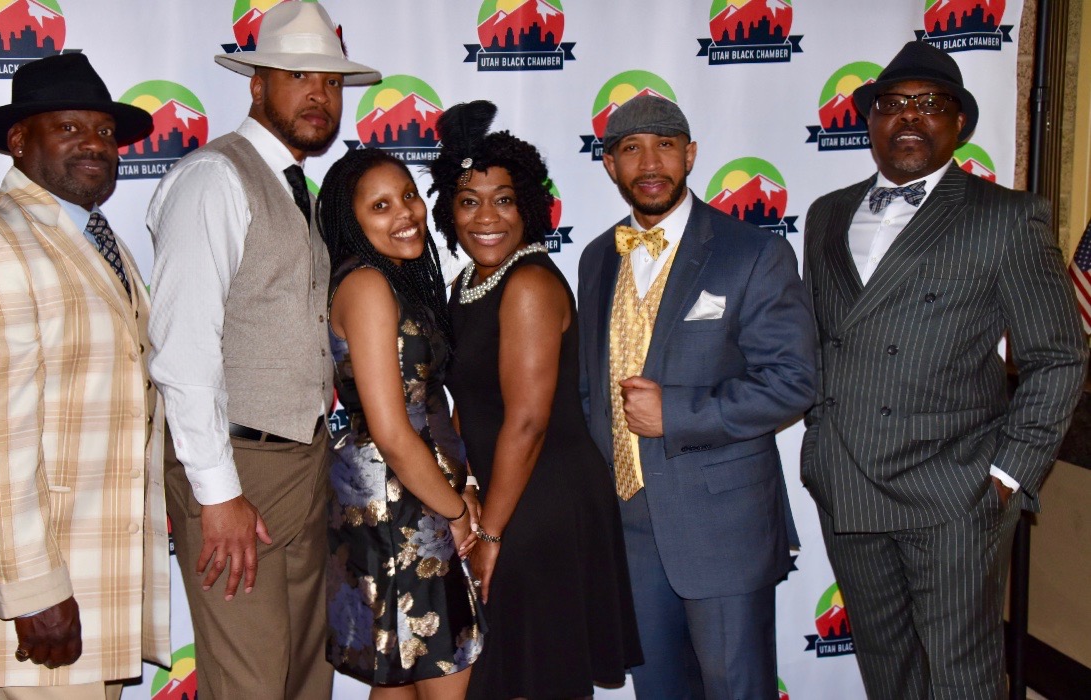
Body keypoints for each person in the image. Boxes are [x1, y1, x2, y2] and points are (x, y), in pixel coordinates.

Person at [802, 41, 1087, 700]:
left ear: (956, 123)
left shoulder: (1006, 218)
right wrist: (818, 446)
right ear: (869, 121)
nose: (909, 117)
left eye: (929, 104)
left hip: (953, 491)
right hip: (847, 482)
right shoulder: (826, 215)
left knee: (961, 678)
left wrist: (1003, 476)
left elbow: (1055, 358)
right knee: (886, 667)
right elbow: (818, 340)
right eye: (892, 104)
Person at [0, 53, 168, 699]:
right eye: (71, 128)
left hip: (93, 582)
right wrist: (34, 591)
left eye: (106, 132)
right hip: (37, 599)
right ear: (20, 140)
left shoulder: (93, 237)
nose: (96, 144)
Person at [145, 3, 379, 698]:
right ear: (255, 85)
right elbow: (181, 349)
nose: (319, 95)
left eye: (331, 83)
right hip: (238, 464)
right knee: (251, 678)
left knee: (306, 674)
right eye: (299, 76)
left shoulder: (300, 188)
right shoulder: (214, 179)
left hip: (304, 460)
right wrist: (218, 494)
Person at [577, 95, 817, 699]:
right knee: (658, 691)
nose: (650, 162)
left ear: (690, 155)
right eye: (631, 148)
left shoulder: (751, 251)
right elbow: (587, 388)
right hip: (626, 524)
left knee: (736, 688)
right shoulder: (597, 256)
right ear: (610, 166)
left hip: (721, 524)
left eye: (665, 145)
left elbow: (794, 380)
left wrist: (676, 414)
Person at [433, 101, 643, 699]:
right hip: (505, 494)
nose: (487, 217)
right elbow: (472, 403)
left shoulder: (527, 284)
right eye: (469, 201)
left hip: (543, 502)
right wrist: (466, 490)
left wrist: (490, 535)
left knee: (536, 677)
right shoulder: (469, 283)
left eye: (504, 198)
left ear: (528, 204)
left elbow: (526, 422)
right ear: (450, 210)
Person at [317, 148, 483, 696]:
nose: (405, 213)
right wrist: (454, 510)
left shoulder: (391, 280)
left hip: (409, 493)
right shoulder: (366, 285)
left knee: (398, 679)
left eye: (408, 195)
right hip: (401, 502)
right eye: (381, 206)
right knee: (442, 675)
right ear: (353, 223)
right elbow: (391, 429)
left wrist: (461, 488)